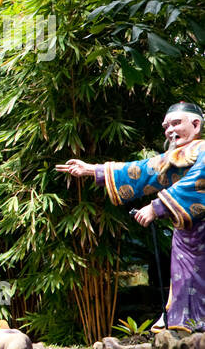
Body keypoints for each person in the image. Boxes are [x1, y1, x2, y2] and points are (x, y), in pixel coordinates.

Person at [57, 101, 205, 330]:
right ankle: (183, 323)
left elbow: (197, 183)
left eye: (176, 123)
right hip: (186, 232)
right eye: (167, 126)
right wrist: (91, 169)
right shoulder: (175, 156)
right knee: (183, 278)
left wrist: (156, 208)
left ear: (196, 125)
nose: (170, 130)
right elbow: (142, 170)